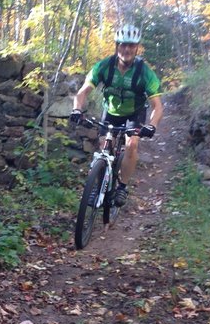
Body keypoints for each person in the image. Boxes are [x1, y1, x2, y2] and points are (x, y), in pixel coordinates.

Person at [70, 24, 163, 206]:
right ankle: (100, 181)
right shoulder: (104, 66)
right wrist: (76, 109)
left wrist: (152, 125)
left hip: (134, 114)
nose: (126, 49)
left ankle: (122, 187)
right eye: (122, 44)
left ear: (137, 47)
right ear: (117, 45)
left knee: (131, 145)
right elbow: (82, 93)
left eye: (131, 45)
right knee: (104, 145)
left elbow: (157, 106)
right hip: (111, 111)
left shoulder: (145, 72)